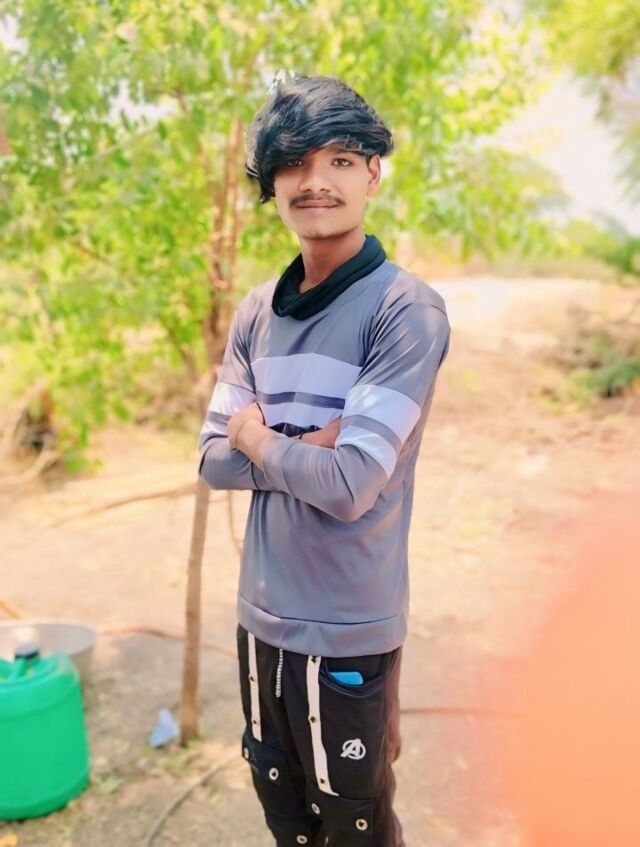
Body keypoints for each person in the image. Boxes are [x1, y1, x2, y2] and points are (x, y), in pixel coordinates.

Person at [197, 74, 451, 847]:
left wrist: (255, 436)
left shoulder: (404, 309)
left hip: (348, 627)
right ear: (272, 182)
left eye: (340, 159)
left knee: (354, 824)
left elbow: (349, 484)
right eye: (295, 162)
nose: (316, 181)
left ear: (374, 173)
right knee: (285, 816)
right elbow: (211, 460)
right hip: (258, 615)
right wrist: (305, 445)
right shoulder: (254, 312)